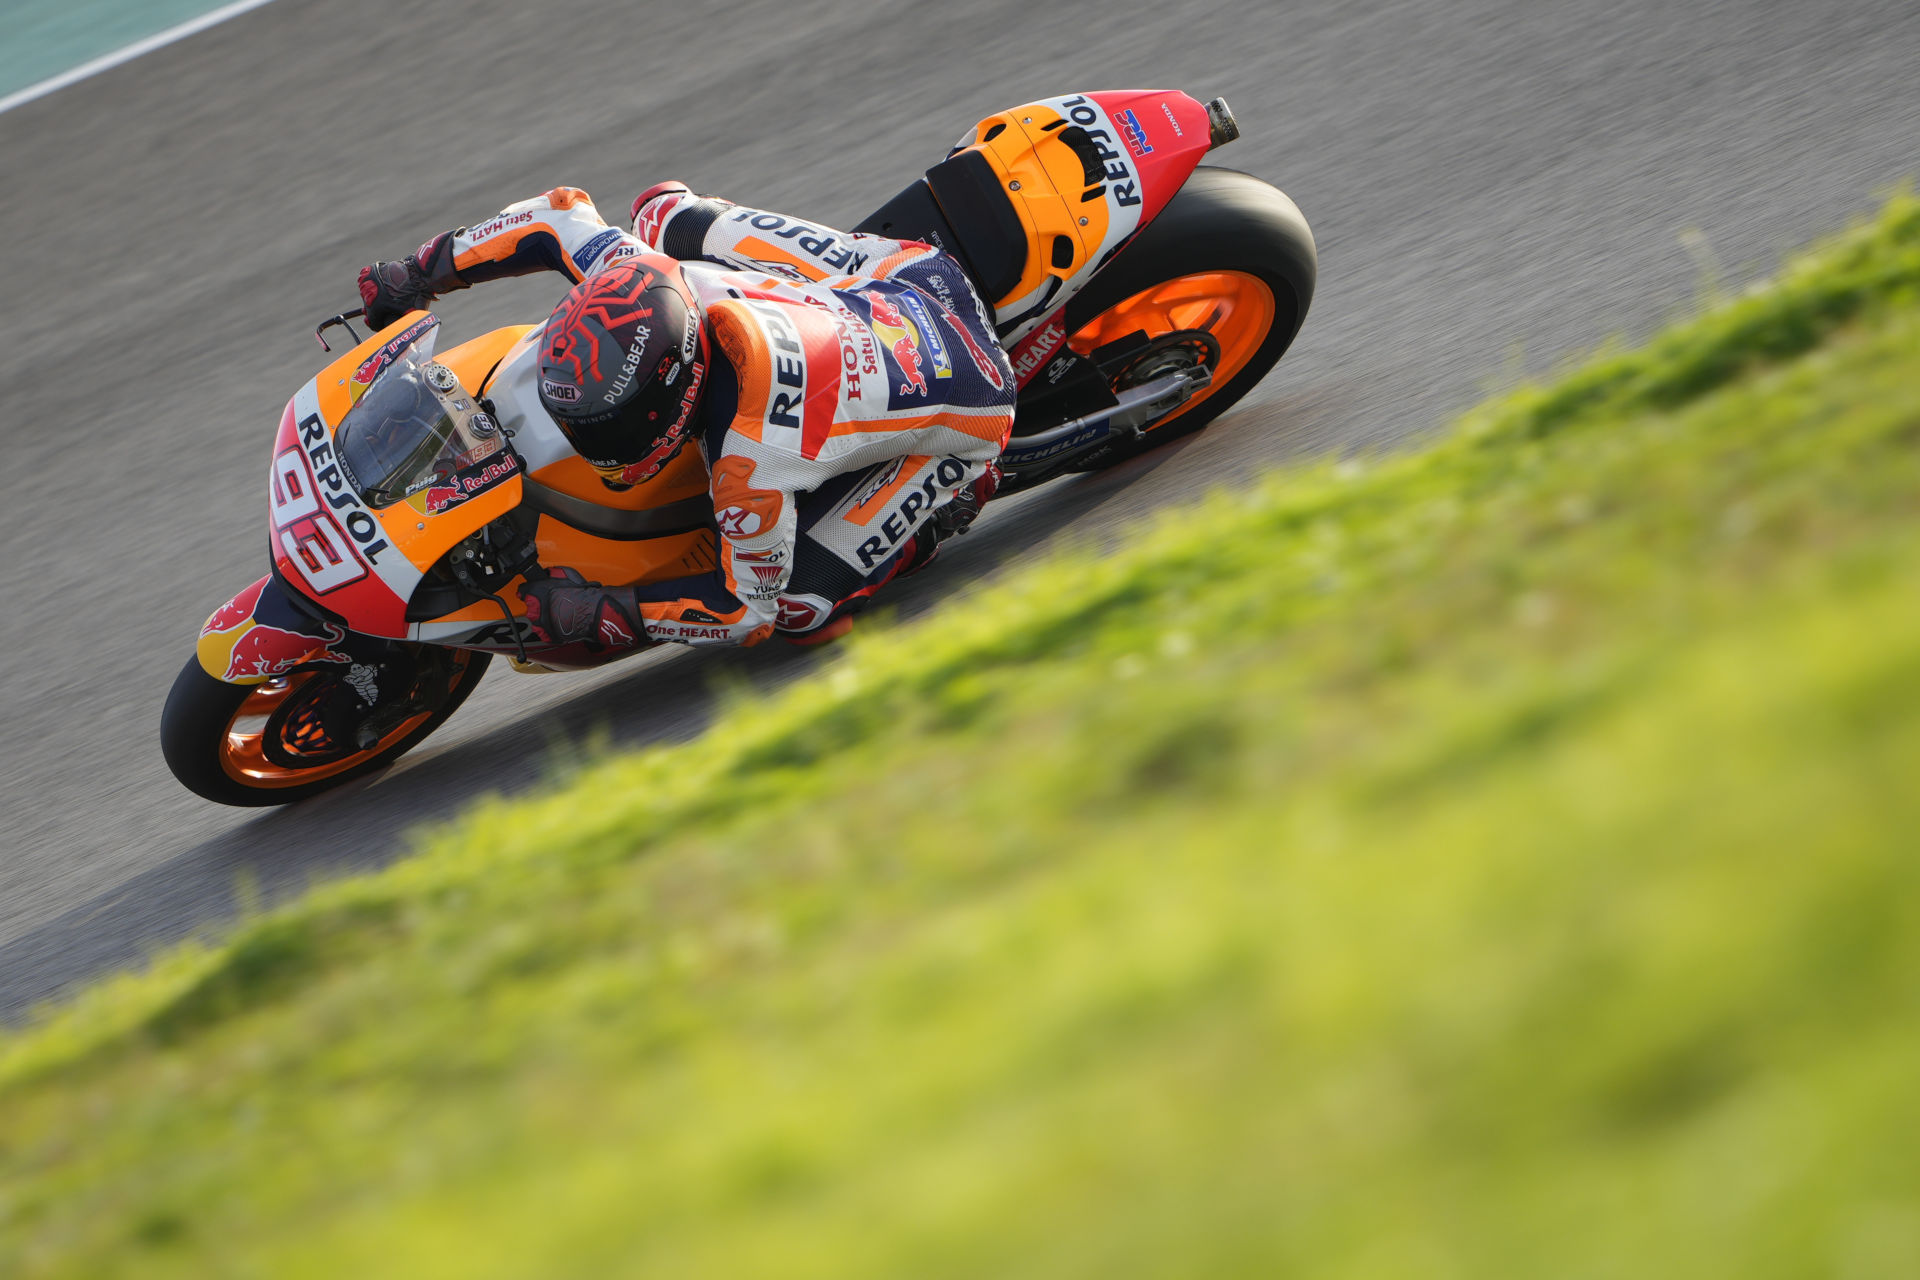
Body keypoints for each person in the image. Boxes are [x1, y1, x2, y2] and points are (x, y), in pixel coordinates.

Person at [357, 183, 1014, 650]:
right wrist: (418, 274)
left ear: (677, 391)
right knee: (661, 210)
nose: (591, 443)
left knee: (798, 609)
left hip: (972, 398)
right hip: (904, 277)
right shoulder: (638, 271)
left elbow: (742, 612)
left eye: (608, 428)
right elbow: (555, 217)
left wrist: (610, 610)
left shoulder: (747, 466)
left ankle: (945, 510)